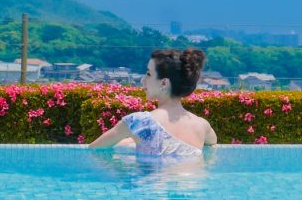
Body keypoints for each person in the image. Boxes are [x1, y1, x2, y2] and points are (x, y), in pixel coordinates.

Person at [88, 48, 218, 158]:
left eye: (148, 74)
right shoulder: (202, 125)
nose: (143, 80)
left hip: (152, 186)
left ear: (164, 83)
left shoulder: (139, 122)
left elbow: (94, 149)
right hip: (192, 187)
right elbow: (212, 143)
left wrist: (121, 169)